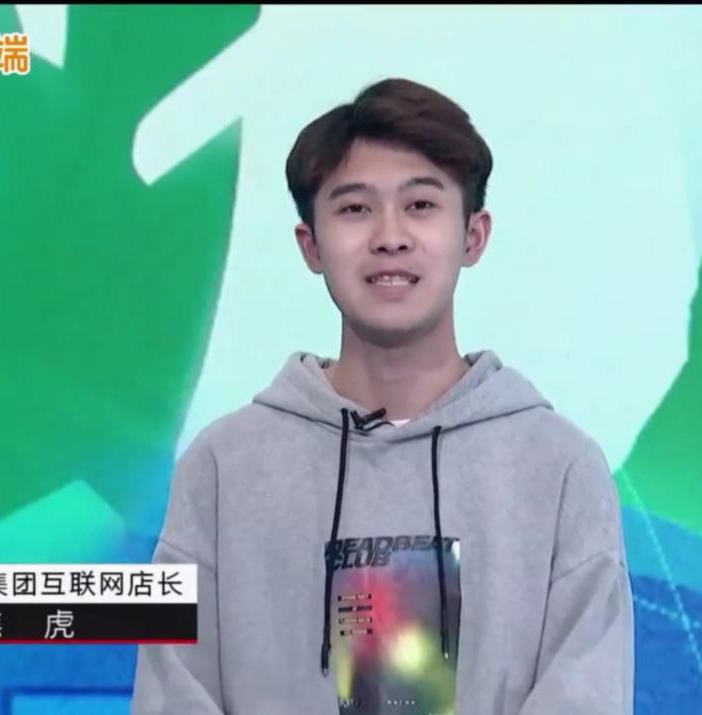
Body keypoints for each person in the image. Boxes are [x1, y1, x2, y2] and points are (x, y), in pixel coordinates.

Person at [131, 77, 634, 714]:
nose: (390, 236)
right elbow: (173, 691)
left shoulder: (559, 467)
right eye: (354, 209)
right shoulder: (222, 465)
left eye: (420, 205)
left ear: (473, 236)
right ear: (310, 245)